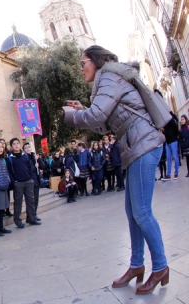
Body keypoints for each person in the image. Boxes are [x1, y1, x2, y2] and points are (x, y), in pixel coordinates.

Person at [64, 45, 168, 294]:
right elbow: (103, 126)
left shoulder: (109, 77)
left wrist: (70, 116)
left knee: (142, 212)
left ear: (96, 61)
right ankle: (136, 265)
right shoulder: (105, 81)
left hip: (144, 144)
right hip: (135, 147)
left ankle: (161, 267)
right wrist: (81, 110)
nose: (81, 68)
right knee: (133, 213)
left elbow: (97, 117)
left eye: (83, 62)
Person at [8, 138, 40, 229]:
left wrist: (30, 178)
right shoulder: (10, 158)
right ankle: (18, 221)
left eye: (18, 143)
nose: (16, 145)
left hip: (28, 181)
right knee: (18, 203)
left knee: (30, 201)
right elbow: (9, 172)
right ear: (11, 146)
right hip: (18, 183)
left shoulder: (25, 156)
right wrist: (14, 182)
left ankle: (31, 218)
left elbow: (30, 167)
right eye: (14, 144)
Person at [24, 143, 42, 223]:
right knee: (31, 200)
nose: (28, 149)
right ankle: (30, 216)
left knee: (36, 199)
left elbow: (43, 166)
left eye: (29, 147)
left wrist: (39, 159)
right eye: (26, 148)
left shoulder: (34, 156)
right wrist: (34, 167)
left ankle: (34, 214)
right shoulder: (25, 157)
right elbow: (27, 170)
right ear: (24, 150)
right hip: (30, 181)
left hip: (36, 180)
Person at [162, 111, 180, 181]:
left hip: (173, 140)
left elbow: (176, 127)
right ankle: (168, 174)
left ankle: (176, 173)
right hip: (168, 141)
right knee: (168, 158)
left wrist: (175, 135)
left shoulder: (171, 119)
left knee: (175, 156)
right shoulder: (165, 120)